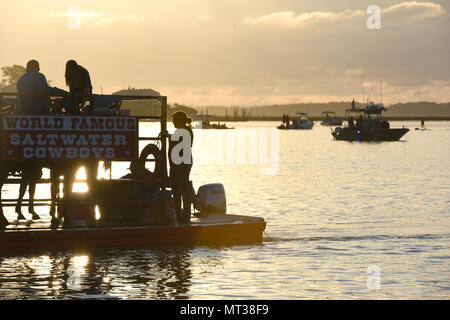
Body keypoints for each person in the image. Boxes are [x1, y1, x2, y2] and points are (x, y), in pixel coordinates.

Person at [169, 111, 194, 224]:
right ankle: (178, 213)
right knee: (176, 190)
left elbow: (179, 142)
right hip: (175, 164)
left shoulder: (186, 131)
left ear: (180, 120)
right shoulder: (180, 131)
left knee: (183, 188)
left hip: (183, 164)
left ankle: (186, 214)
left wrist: (167, 136)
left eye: (174, 120)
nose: (173, 122)